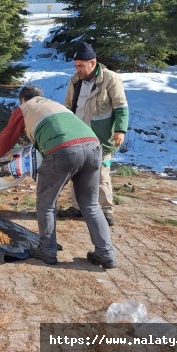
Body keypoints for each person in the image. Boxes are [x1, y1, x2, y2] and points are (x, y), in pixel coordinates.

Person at [0, 85, 116, 268]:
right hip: (93, 147)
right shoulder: (54, 105)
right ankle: (106, 253)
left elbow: (7, 137)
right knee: (91, 203)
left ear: (23, 100)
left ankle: (47, 250)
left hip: (64, 150)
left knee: (46, 203)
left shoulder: (24, 108)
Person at [58, 42, 129, 226]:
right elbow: (67, 108)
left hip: (101, 137)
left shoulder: (111, 79)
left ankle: (106, 211)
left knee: (101, 174)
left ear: (93, 62)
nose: (78, 70)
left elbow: (121, 107)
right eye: (76, 66)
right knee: (77, 172)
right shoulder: (74, 81)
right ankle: (77, 207)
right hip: (76, 136)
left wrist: (120, 130)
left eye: (81, 66)